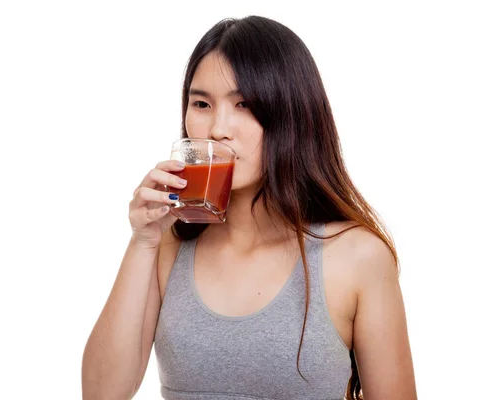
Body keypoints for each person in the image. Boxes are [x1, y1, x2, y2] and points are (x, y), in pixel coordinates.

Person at [82, 15, 416, 400]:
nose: (218, 129)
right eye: (202, 103)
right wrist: (142, 241)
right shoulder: (168, 246)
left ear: (291, 115)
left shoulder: (356, 256)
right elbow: (101, 393)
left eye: (244, 104)